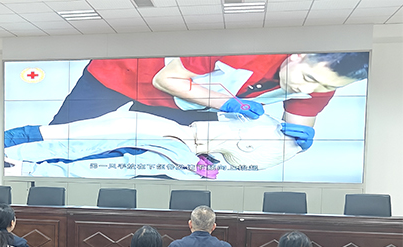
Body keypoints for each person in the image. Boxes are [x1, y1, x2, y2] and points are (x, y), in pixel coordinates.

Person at [50, 53, 369, 150]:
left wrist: (295, 141)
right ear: (299, 55)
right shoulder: (245, 52)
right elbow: (166, 80)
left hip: (187, 105)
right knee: (61, 135)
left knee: (160, 157)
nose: (308, 88)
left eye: (326, 86)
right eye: (309, 77)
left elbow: (295, 128)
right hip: (126, 73)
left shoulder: (322, 84)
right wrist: (229, 104)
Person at [5, 109, 301, 179]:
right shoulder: (177, 135)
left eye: (243, 123)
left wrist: (25, 170)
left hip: (22, 154)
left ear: (247, 146)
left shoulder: (175, 156)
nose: (235, 118)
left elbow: (93, 168)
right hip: (31, 140)